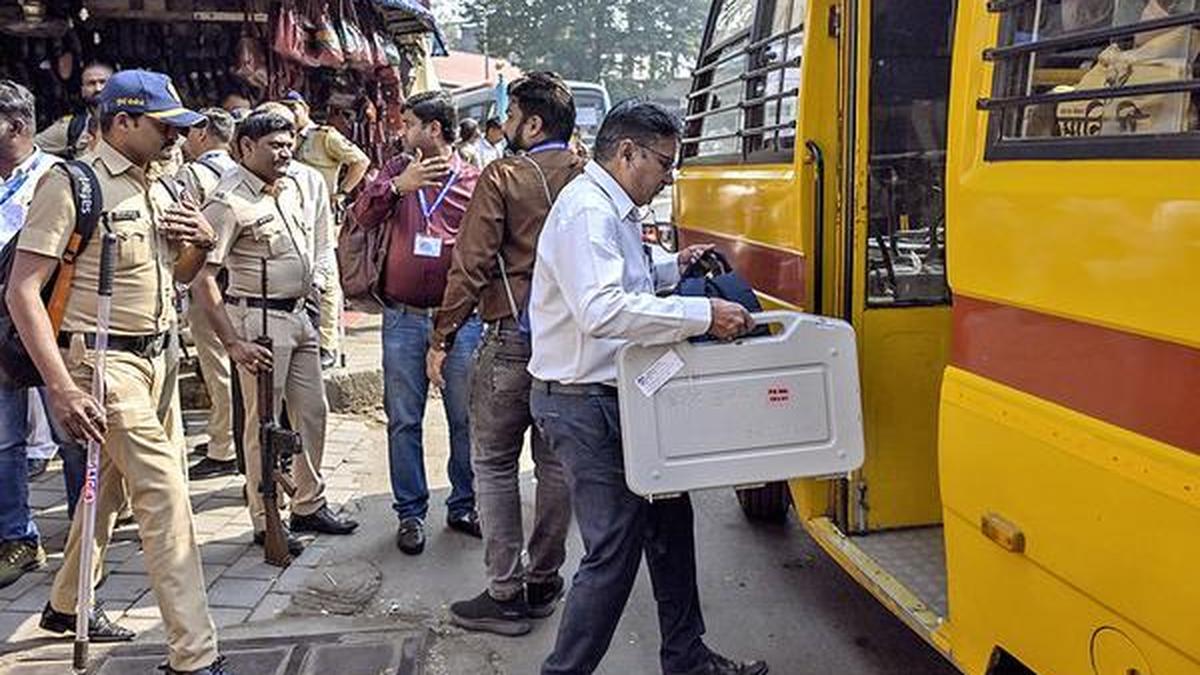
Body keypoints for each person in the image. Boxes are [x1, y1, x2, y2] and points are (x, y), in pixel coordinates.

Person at [527, 99, 765, 675]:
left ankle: (687, 657)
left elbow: (623, 279)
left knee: (669, 522)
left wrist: (670, 266)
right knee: (613, 551)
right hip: (585, 405)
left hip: (623, 397)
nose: (666, 179)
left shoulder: (614, 211)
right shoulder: (588, 211)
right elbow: (601, 308)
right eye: (663, 165)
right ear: (627, 152)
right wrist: (701, 315)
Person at [6, 69, 231, 675]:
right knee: (165, 496)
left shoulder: (162, 184)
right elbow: (23, 292)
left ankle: (64, 604)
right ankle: (195, 655)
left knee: (107, 490)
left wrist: (203, 245)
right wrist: (61, 385)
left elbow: (178, 277)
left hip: (160, 358)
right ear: (123, 121)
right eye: (165, 126)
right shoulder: (71, 185)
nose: (176, 138)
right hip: (102, 363)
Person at [432, 71, 582, 636]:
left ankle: (504, 593)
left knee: (493, 463)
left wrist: (442, 338)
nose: (505, 126)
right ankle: (544, 580)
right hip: (569, 341)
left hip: (511, 339)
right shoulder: (586, 175)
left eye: (513, 116)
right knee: (554, 464)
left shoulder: (503, 175)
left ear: (533, 123)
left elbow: (469, 265)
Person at [194, 110, 357, 558]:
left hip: (299, 316)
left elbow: (318, 245)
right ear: (246, 147)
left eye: (289, 144)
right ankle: (266, 519)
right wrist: (232, 342)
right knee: (262, 425)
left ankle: (309, 503)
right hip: (258, 323)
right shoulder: (227, 201)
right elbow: (203, 279)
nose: (285, 153)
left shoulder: (293, 187)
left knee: (313, 414)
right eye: (275, 145)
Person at [351, 91, 483, 555]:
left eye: (408, 123)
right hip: (402, 318)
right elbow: (361, 217)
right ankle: (410, 513)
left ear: (433, 130)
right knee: (404, 419)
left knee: (464, 418)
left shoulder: (474, 179)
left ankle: (464, 504)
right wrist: (397, 187)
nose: (399, 132)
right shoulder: (393, 172)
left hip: (461, 323)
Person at [0, 80, 58, 589]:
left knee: (70, 434)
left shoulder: (56, 178)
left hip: (51, 326)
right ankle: (18, 535)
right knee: (4, 440)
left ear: (16, 126)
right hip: (1, 332)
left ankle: (91, 536)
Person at [282, 92, 370, 369]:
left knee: (328, 281)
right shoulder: (286, 139)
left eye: (294, 107)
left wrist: (342, 193)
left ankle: (327, 344)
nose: (290, 113)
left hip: (322, 217)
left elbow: (360, 161)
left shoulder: (324, 136)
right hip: (291, 217)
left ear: (305, 108)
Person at [178, 108, 241, 480]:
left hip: (208, 280)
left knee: (216, 364)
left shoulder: (192, 173)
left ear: (202, 134)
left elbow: (186, 229)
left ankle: (223, 447)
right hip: (241, 281)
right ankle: (225, 435)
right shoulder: (241, 172)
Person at [35, 62, 113, 159]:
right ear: (82, 91)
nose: (98, 88)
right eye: (91, 83)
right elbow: (29, 148)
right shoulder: (72, 127)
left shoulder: (131, 121)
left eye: (103, 82)